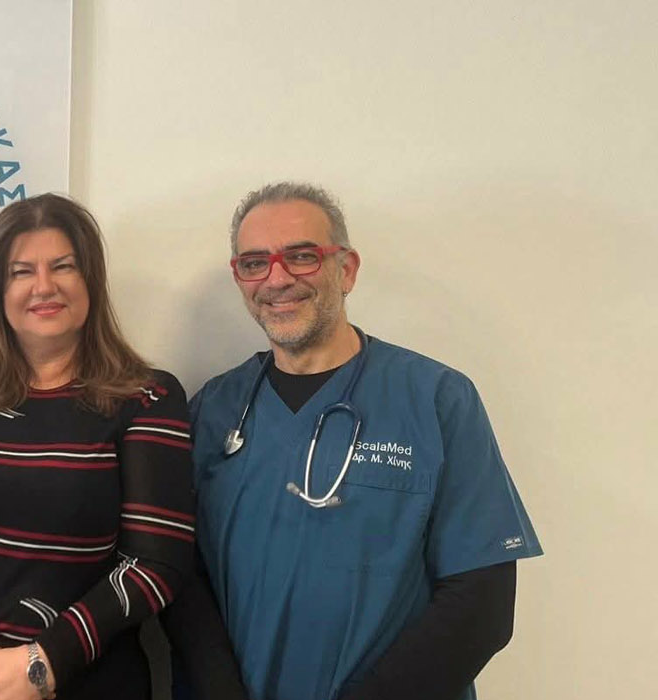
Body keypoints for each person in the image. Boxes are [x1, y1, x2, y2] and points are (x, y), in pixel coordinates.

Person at [163, 182, 542, 700]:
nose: (277, 278)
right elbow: (178, 574)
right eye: (254, 263)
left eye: (302, 256)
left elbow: (482, 604)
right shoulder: (213, 410)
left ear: (346, 269)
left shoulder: (436, 399)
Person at [0, 194, 245, 700]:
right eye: (21, 272)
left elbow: (156, 563)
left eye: (63, 266)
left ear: (90, 280)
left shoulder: (146, 397)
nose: (44, 286)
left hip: (89, 682)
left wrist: (38, 667)